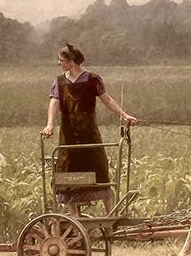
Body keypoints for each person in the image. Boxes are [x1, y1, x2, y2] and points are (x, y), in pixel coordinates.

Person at [40, 43, 137, 217]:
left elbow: (106, 100)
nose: (59, 63)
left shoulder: (92, 79)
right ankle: (74, 213)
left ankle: (111, 214)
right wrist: (49, 124)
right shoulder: (59, 82)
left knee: (98, 169)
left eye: (61, 60)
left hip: (89, 132)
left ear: (71, 61)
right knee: (68, 170)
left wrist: (124, 115)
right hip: (68, 133)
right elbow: (54, 102)